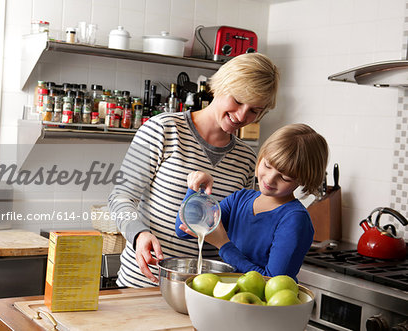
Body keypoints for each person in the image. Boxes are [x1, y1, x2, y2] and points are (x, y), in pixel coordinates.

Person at [107, 52, 280, 287]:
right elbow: (120, 197)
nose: (241, 116)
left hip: (206, 290)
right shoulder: (162, 129)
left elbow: (236, 226)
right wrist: (138, 234)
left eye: (254, 110)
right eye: (238, 101)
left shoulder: (247, 159)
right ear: (220, 86)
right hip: (143, 283)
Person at [176, 123, 329, 281]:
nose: (270, 179)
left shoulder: (294, 220)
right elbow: (183, 230)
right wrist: (196, 191)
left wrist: (223, 245)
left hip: (263, 305)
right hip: (230, 299)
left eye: (285, 178)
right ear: (261, 156)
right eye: (267, 165)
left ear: (304, 179)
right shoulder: (240, 200)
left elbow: (272, 281)